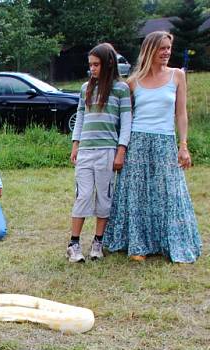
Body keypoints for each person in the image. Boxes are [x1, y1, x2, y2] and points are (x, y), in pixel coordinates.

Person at [104, 31, 201, 263]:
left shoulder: (178, 76)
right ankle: (138, 244)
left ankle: (169, 241)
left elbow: (181, 113)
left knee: (168, 193)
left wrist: (183, 144)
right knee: (137, 194)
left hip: (165, 141)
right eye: (162, 48)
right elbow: (124, 117)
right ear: (150, 50)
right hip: (137, 141)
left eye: (168, 48)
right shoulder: (133, 82)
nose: (166, 52)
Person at [67, 43, 132, 263]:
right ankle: (74, 244)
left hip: (107, 150)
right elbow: (80, 117)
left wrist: (120, 151)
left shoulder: (121, 89)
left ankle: (98, 242)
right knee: (83, 195)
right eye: (90, 65)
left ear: (109, 63)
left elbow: (126, 123)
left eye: (96, 65)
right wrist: (75, 144)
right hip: (86, 150)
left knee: (104, 197)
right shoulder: (85, 88)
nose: (92, 69)